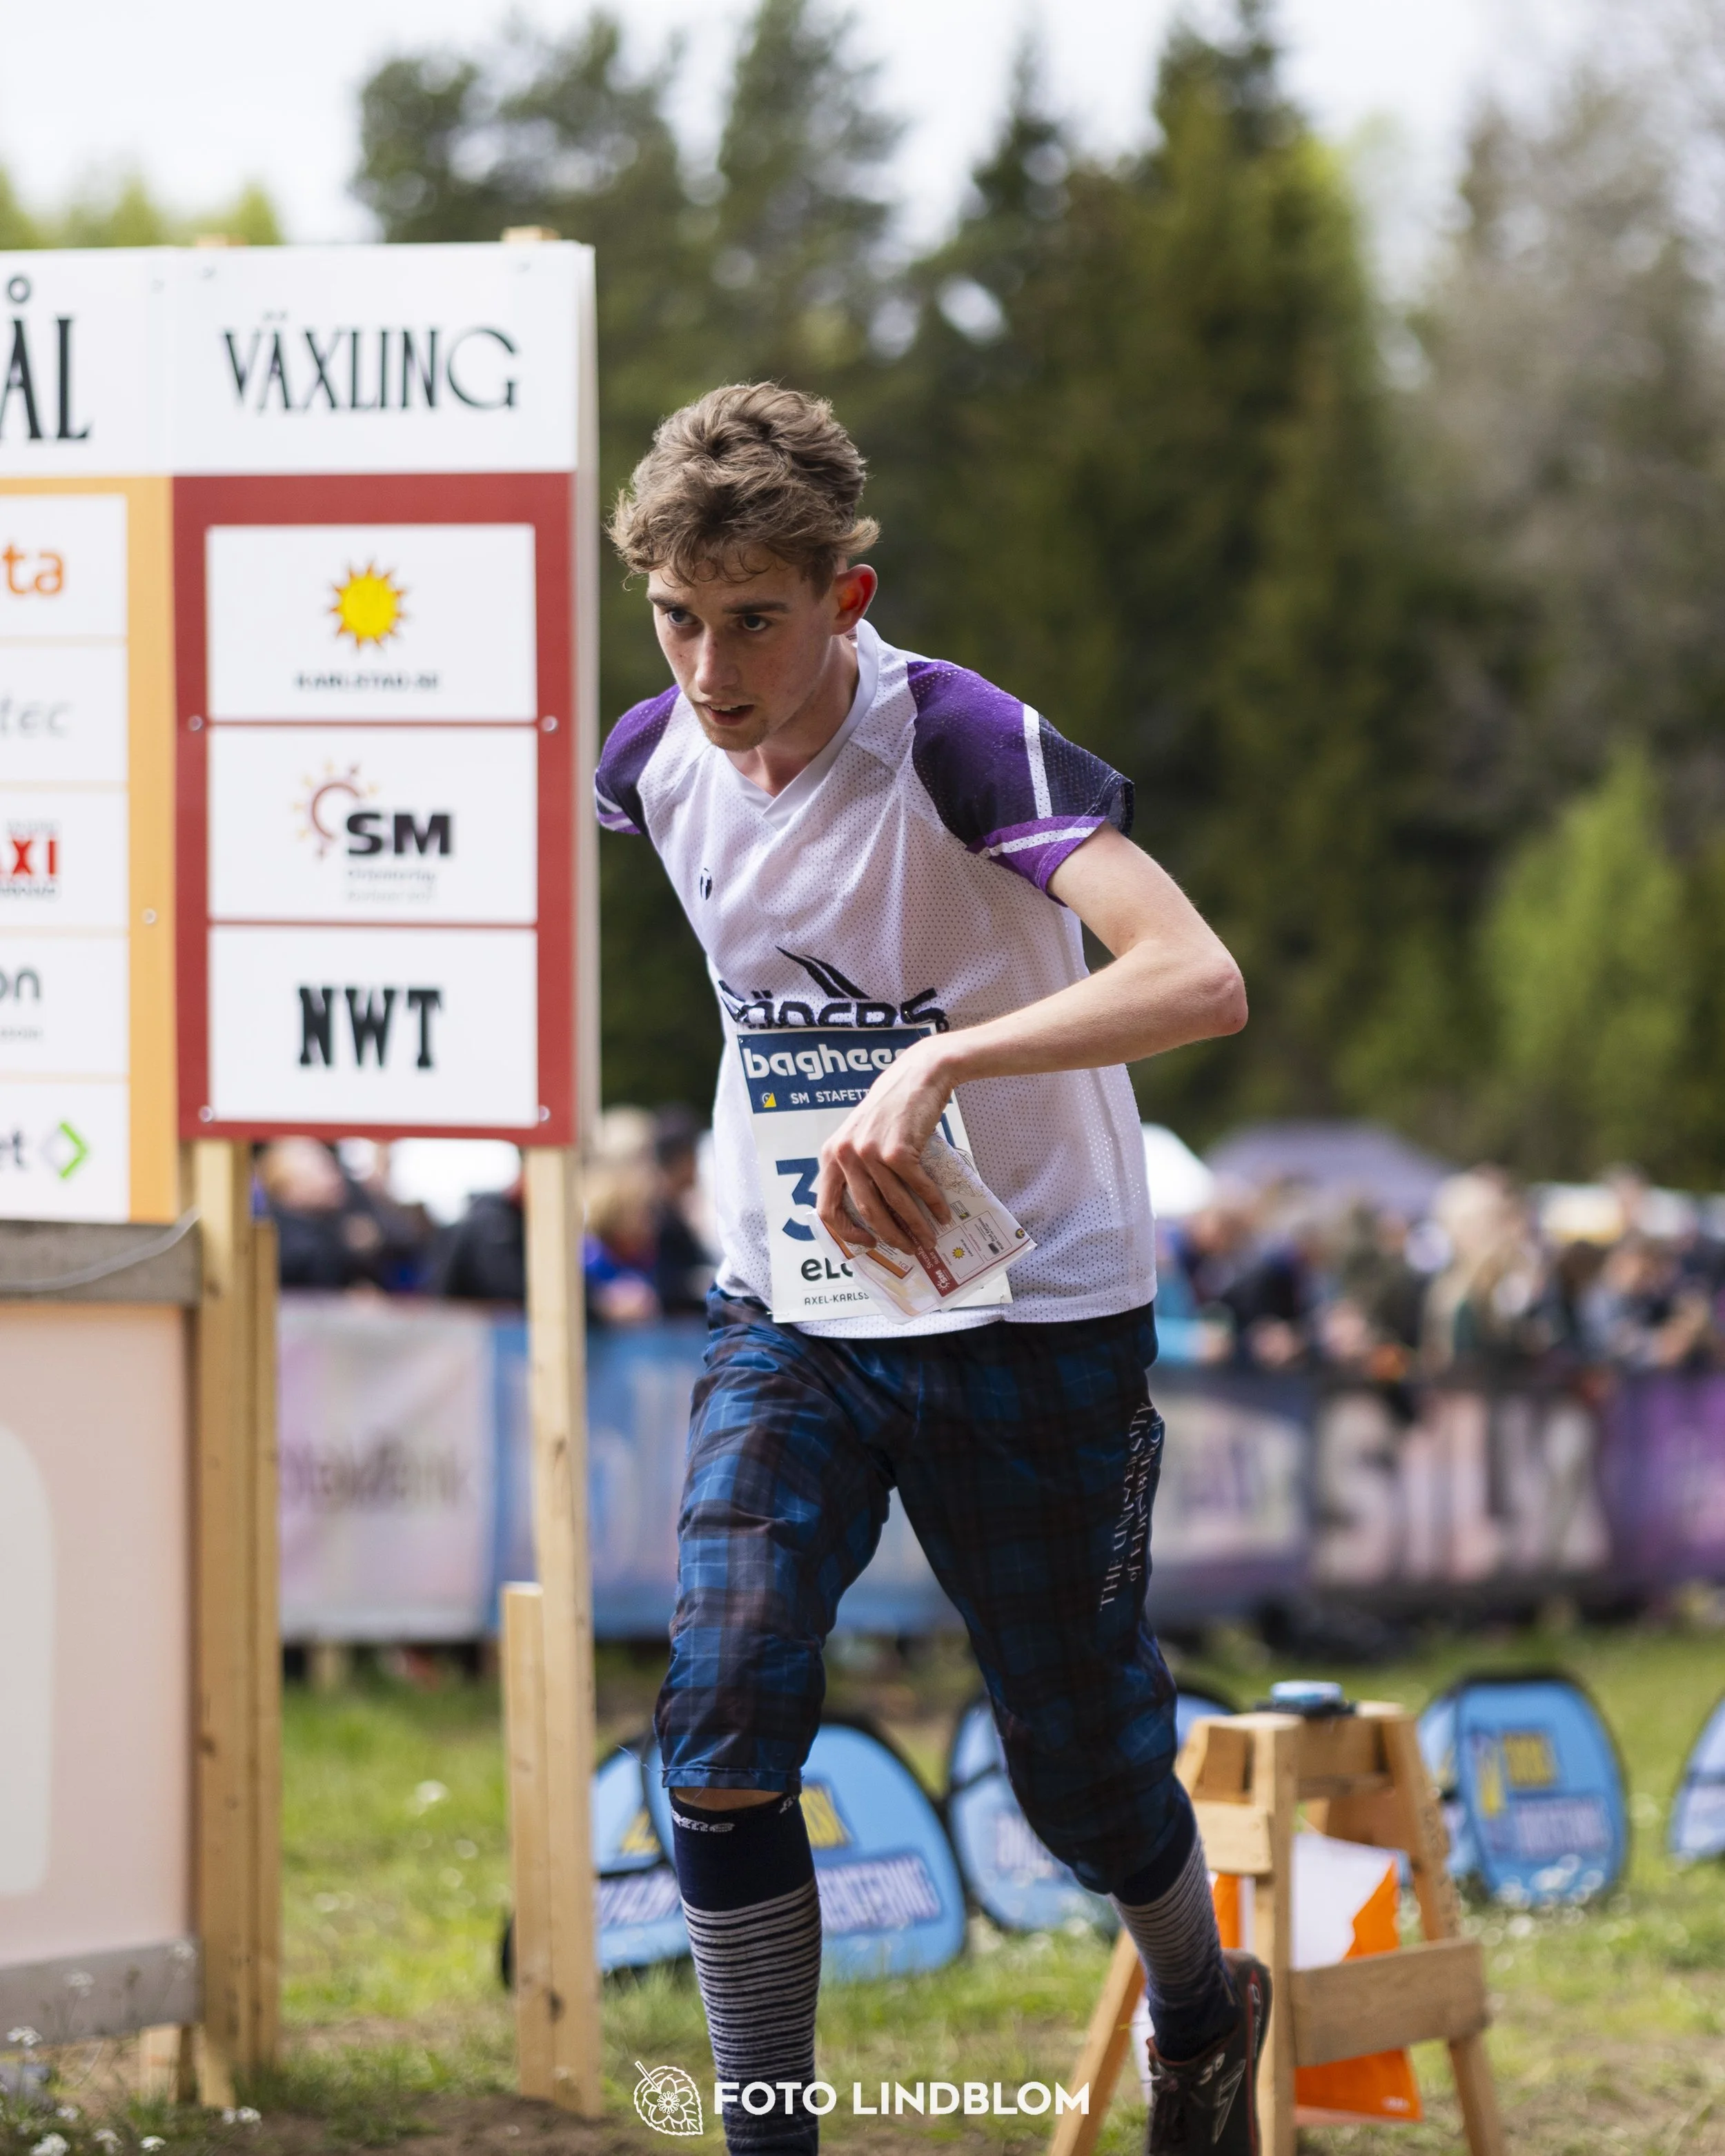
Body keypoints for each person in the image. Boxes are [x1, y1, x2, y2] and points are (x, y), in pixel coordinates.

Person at [596, 384, 1266, 2153]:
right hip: (794, 1301)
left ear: (848, 599)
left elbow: (1197, 976)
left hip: (1030, 1302)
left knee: (1079, 1762)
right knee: (721, 1708)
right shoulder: (646, 762)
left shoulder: (958, 740)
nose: (714, 667)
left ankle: (1201, 2003)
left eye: (756, 619)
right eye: (677, 616)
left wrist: (949, 1057)